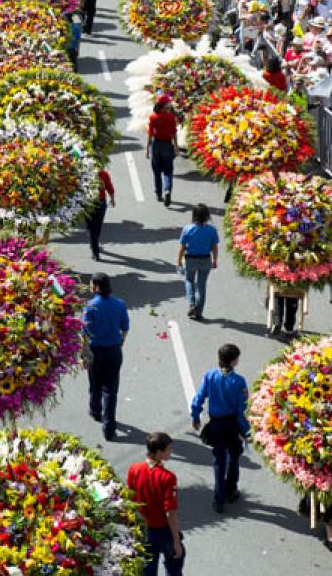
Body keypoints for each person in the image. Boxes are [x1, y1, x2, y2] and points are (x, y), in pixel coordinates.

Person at [191, 343, 251, 514]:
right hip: (232, 425)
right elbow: (242, 409)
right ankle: (231, 490)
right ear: (233, 361)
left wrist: (195, 417)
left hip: (216, 425)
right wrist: (246, 431)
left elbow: (199, 398)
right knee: (234, 455)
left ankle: (219, 498)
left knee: (219, 460)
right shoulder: (239, 381)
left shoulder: (210, 376)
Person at [127, 433, 185, 576]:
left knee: (147, 569)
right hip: (164, 531)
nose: (171, 452)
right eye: (169, 449)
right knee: (174, 566)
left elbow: (130, 499)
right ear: (159, 452)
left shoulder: (134, 469)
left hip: (145, 530)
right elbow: (170, 513)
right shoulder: (168, 478)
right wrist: (176, 541)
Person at [83, 273, 129, 441]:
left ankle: (95, 410)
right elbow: (125, 328)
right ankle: (109, 428)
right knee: (110, 390)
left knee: (95, 382)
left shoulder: (90, 306)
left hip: (96, 351)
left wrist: (84, 354)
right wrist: (120, 343)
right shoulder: (119, 304)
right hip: (114, 351)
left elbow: (85, 333)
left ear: (96, 286)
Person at [177, 204, 219, 320]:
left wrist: (178, 261)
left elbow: (182, 247)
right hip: (205, 260)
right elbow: (214, 247)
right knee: (202, 286)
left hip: (191, 259)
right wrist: (215, 260)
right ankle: (199, 311)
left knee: (189, 280)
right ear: (207, 216)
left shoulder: (187, 229)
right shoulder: (211, 230)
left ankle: (191, 304)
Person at [146, 95, 178, 206]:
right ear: (164, 106)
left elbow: (150, 134)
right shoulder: (170, 117)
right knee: (168, 171)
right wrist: (176, 147)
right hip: (167, 145)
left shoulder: (153, 117)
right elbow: (174, 133)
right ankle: (167, 190)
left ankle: (158, 194)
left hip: (156, 145)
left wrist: (147, 149)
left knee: (156, 171)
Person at [85, 169, 115, 261]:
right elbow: (109, 187)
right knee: (97, 227)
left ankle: (95, 250)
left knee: (91, 228)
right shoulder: (103, 174)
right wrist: (112, 199)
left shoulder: (83, 173)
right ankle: (95, 248)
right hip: (99, 204)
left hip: (88, 204)